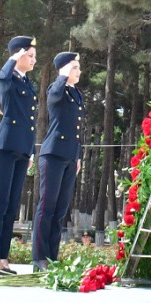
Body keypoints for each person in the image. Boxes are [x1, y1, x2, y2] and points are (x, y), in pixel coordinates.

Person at [0, 35, 39, 276]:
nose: (34, 60)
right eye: (30, 55)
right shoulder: (9, 78)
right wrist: (12, 59)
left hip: (21, 148)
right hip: (5, 147)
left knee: (11, 207)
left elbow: (30, 121)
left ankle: (2, 256)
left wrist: (30, 151)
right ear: (18, 55)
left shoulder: (26, 83)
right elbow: (2, 79)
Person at [33, 51, 85, 269]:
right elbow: (53, 95)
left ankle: (52, 256)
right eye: (74, 67)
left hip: (69, 156)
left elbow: (77, 129)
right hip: (53, 154)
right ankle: (39, 256)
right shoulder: (57, 89)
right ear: (64, 70)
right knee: (47, 207)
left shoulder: (76, 93)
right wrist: (63, 75)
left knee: (60, 210)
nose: (79, 71)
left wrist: (78, 156)